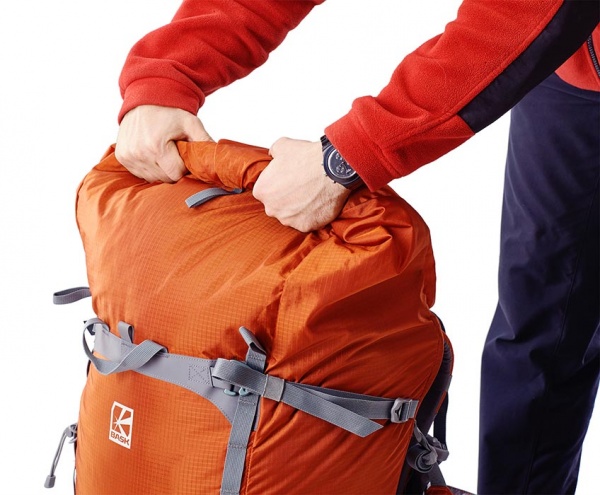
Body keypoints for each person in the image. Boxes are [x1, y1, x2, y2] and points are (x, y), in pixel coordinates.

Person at [113, 1, 599, 493]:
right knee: (543, 322)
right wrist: (167, 75)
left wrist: (348, 157)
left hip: (558, 23)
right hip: (571, 65)